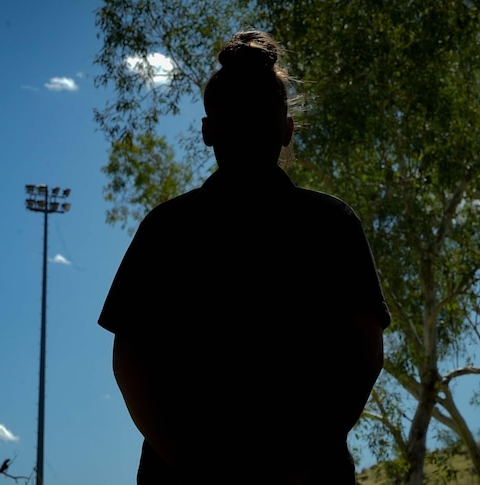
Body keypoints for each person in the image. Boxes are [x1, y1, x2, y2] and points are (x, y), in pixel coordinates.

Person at [98, 30, 390, 484]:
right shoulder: (331, 225)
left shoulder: (168, 228)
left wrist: (188, 462)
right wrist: (303, 462)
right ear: (288, 130)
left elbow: (129, 362)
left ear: (207, 131)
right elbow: (365, 354)